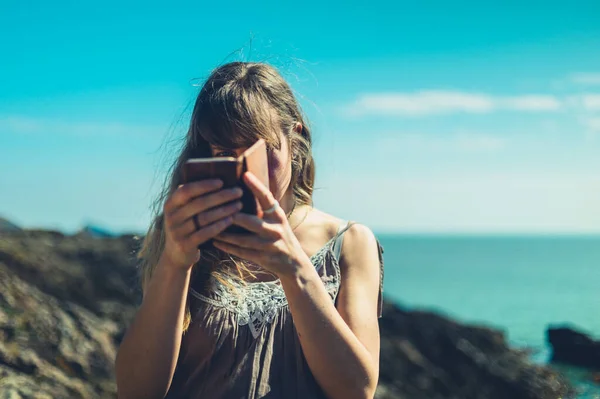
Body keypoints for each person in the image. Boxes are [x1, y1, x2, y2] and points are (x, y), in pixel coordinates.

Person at [115, 61, 385, 399]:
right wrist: (175, 262)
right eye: (226, 153)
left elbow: (357, 390)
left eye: (259, 147)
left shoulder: (349, 242)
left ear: (295, 137)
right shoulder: (185, 236)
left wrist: (296, 271)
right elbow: (136, 391)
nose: (248, 171)